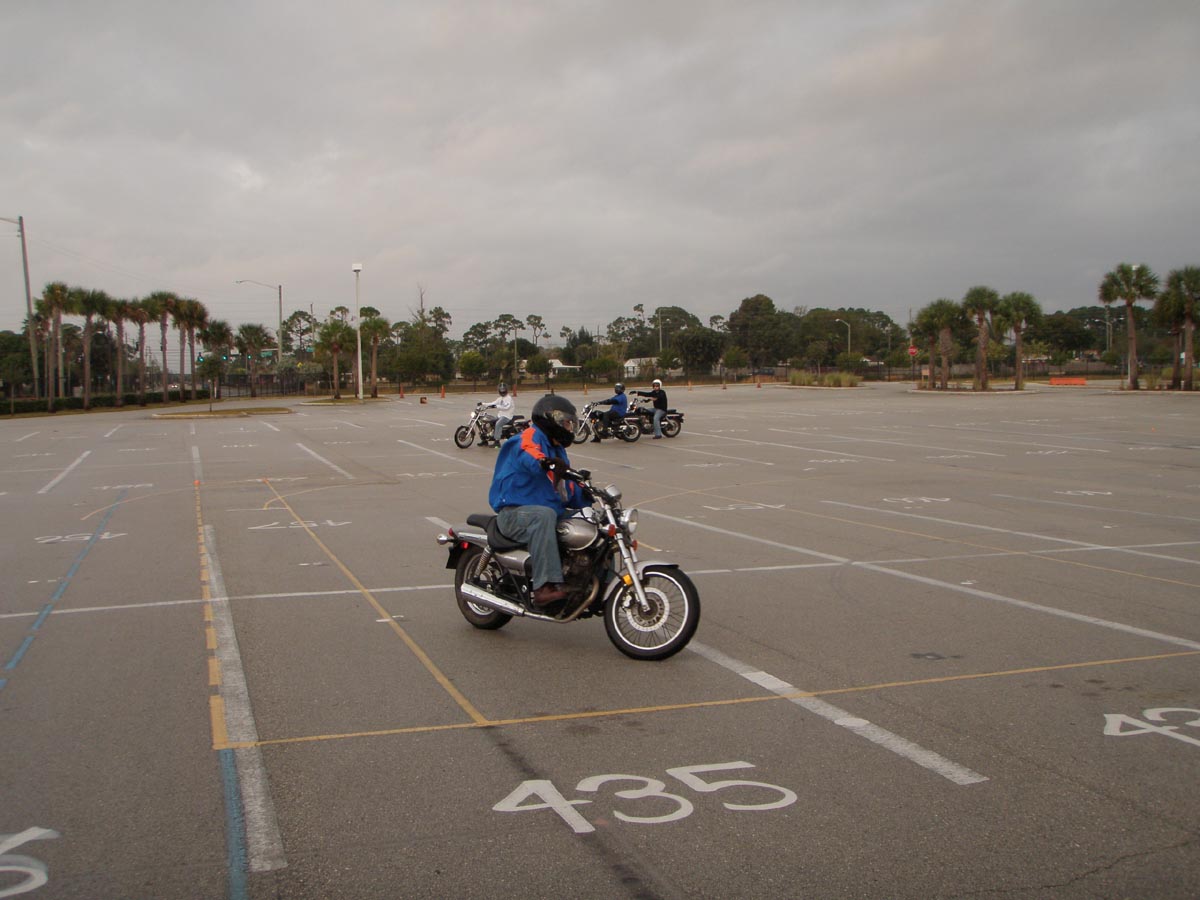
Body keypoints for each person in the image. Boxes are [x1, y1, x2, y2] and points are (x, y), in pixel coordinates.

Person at [488, 394, 585, 606]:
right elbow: (530, 455)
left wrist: (584, 494)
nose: (569, 428)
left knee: (591, 521)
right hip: (514, 513)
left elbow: (563, 487)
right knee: (544, 516)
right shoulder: (527, 439)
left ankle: (588, 581)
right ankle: (544, 587)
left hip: (544, 511)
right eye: (566, 423)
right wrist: (544, 462)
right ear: (552, 420)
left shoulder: (557, 449)